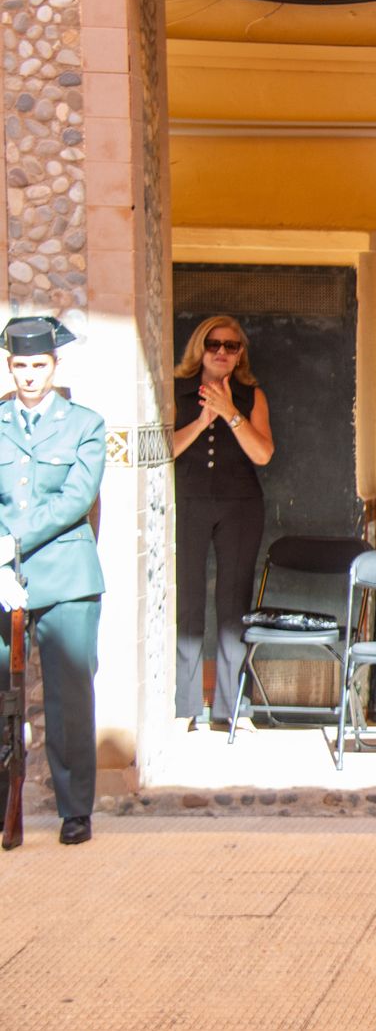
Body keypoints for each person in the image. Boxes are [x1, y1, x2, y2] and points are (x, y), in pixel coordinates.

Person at [0, 316, 105, 845]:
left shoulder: (84, 423)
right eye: (21, 366)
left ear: (54, 365)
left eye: (39, 366)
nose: (30, 376)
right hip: (2, 578)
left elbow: (75, 500)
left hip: (66, 576)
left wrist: (10, 543)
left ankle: (75, 810)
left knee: (68, 699)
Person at [172, 315, 274, 731]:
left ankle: (231, 708)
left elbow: (263, 454)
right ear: (200, 346)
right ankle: (185, 707)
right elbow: (165, 449)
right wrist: (201, 421)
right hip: (189, 501)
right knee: (188, 602)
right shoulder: (175, 390)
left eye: (231, 346)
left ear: (239, 353)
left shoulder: (252, 396)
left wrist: (231, 412)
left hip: (240, 505)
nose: (221, 352)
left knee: (234, 604)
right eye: (214, 343)